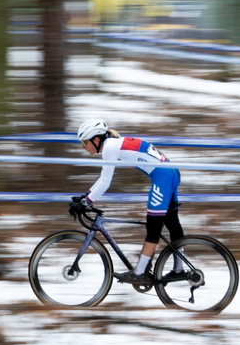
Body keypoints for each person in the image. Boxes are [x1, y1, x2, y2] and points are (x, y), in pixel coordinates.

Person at [70, 119, 186, 286]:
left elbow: (105, 181)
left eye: (84, 142)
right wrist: (86, 196)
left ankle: (140, 272)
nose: (83, 146)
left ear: (96, 140)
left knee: (153, 226)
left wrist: (86, 201)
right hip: (171, 173)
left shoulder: (109, 147)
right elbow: (103, 179)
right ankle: (179, 269)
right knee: (171, 223)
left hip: (163, 177)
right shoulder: (113, 144)